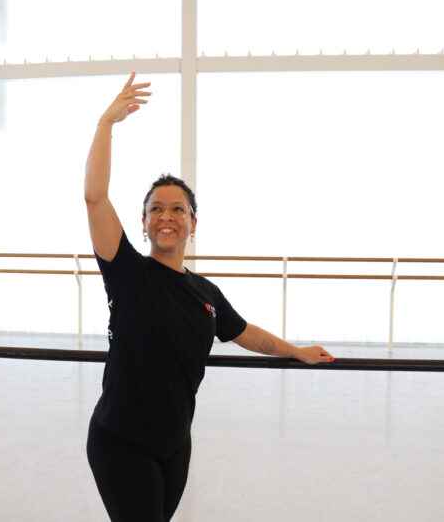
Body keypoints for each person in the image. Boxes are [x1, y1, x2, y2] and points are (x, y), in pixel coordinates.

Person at [84, 72, 334, 521]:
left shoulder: (206, 293)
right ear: (142, 223)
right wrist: (106, 124)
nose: (166, 216)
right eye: (155, 209)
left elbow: (244, 334)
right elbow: (95, 197)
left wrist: (297, 352)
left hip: (175, 444)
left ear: (193, 223)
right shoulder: (127, 272)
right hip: (120, 442)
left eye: (177, 209)